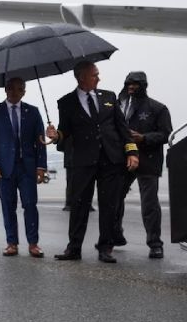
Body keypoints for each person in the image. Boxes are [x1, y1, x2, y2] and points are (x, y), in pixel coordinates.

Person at [46, 61, 138, 263]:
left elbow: (122, 128)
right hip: (83, 160)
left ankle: (105, 248)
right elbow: (65, 131)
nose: (98, 78)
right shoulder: (66, 102)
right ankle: (74, 248)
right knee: (79, 205)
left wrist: (132, 152)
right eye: (94, 75)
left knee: (109, 205)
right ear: (81, 77)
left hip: (111, 159)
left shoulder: (109, 97)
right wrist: (55, 135)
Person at [0, 77, 47, 257]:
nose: (14, 92)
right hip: (4, 169)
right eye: (11, 88)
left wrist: (41, 166)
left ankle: (33, 244)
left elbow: (40, 141)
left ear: (24, 91)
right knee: (8, 206)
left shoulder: (33, 112)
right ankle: (12, 243)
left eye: (19, 89)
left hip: (27, 167)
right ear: (6, 90)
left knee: (30, 205)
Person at [116, 71, 172, 259]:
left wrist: (144, 138)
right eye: (128, 83)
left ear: (144, 85)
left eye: (135, 84)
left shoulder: (158, 108)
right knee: (115, 197)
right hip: (124, 158)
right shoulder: (120, 106)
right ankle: (115, 234)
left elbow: (166, 134)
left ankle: (155, 244)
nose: (131, 87)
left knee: (149, 203)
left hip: (149, 160)